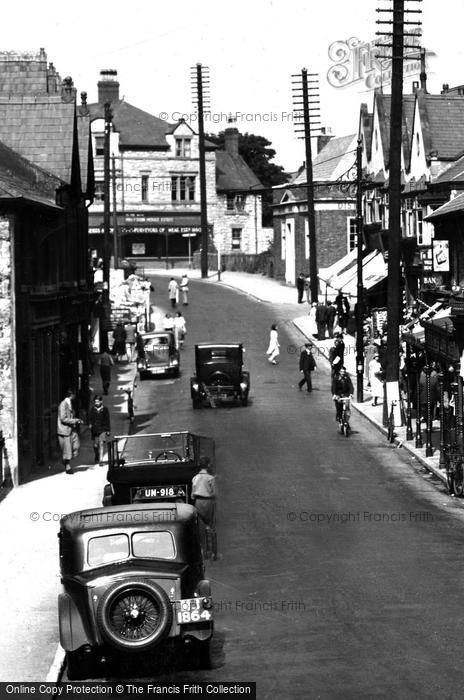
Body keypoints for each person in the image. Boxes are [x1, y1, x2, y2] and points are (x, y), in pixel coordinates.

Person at [57, 389, 82, 474]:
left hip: (71, 429)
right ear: (71, 395)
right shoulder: (63, 404)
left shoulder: (69, 403)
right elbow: (63, 418)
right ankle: (68, 467)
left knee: (76, 445)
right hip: (64, 430)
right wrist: (75, 420)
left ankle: (64, 460)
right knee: (67, 449)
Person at [89, 395, 111, 465]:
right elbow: (90, 418)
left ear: (101, 401)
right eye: (95, 402)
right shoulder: (92, 409)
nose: (96, 403)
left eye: (98, 402)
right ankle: (97, 456)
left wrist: (108, 430)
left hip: (102, 429)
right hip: (95, 430)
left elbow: (107, 420)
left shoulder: (105, 409)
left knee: (101, 444)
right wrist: (90, 424)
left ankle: (101, 460)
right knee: (95, 445)